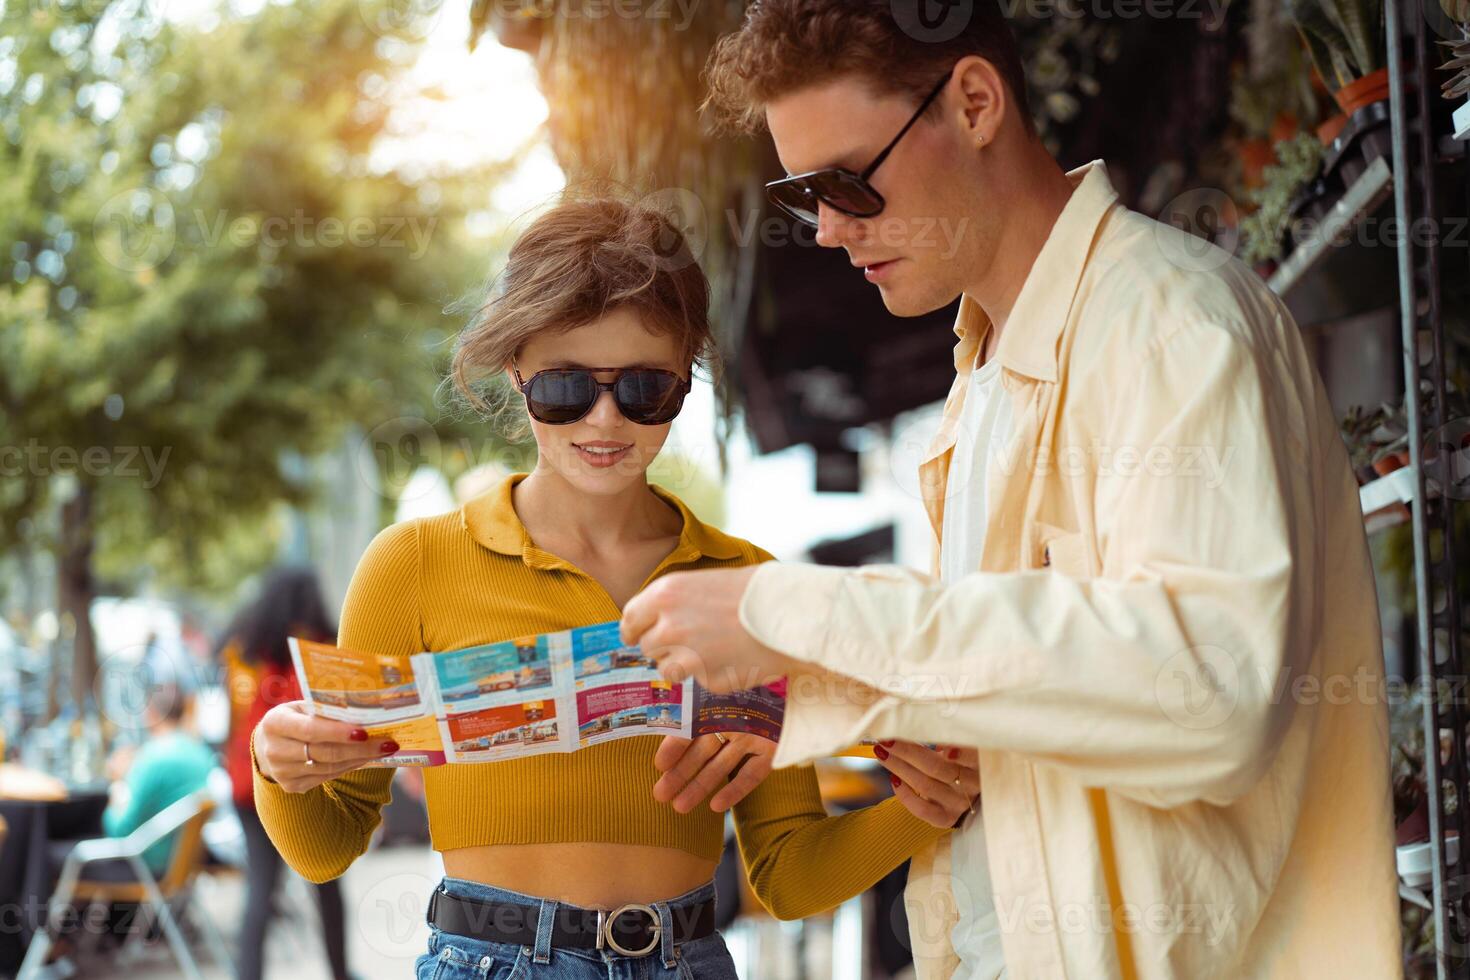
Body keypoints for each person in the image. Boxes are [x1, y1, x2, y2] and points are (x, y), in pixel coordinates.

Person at [620, 2, 1402, 978]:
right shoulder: (984, 380)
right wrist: (835, 701)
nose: (825, 229)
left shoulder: (1168, 325)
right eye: (802, 193)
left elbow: (1208, 688)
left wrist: (796, 612)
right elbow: (1069, 681)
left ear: (977, 102)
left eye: (847, 181)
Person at [248, 198, 982, 979]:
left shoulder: (748, 584)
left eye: (644, 389)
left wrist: (917, 811)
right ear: (516, 371)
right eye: (566, 387)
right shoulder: (414, 564)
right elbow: (326, 849)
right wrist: (276, 765)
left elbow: (790, 875)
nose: (605, 421)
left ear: (686, 382)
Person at [219, 567, 356, 980]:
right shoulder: (314, 649)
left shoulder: (245, 651)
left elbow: (235, 718)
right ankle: (340, 971)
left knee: (261, 890)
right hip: (305, 780)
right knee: (326, 881)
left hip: (248, 780)